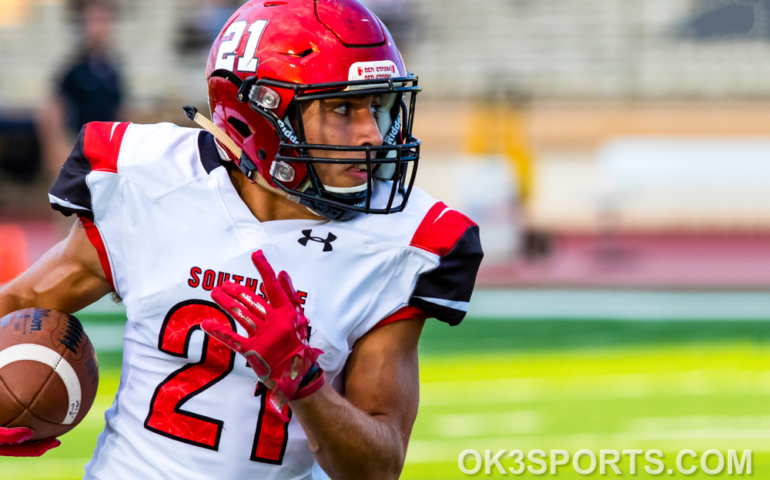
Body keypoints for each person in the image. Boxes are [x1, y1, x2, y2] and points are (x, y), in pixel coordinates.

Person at [0, 1, 483, 478]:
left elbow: (377, 468)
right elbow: (23, 299)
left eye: (377, 106)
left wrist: (303, 380)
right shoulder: (153, 182)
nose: (373, 135)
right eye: (342, 108)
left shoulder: (399, 239)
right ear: (260, 115)